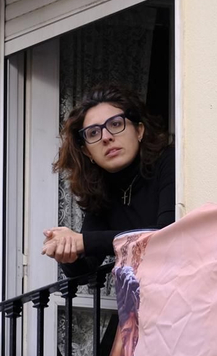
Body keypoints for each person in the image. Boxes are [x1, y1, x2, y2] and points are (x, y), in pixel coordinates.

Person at [42, 85, 176, 273]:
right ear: (87, 151)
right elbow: (84, 269)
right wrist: (67, 251)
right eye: (93, 133)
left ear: (139, 131)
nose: (106, 137)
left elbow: (166, 236)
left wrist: (84, 242)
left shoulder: (170, 162)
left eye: (115, 124)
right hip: (144, 299)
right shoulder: (101, 188)